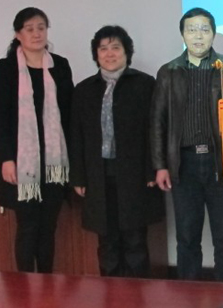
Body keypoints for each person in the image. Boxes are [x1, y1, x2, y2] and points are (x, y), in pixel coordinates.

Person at [151, 7, 223, 281]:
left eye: (204, 29)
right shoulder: (169, 72)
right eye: (191, 30)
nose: (198, 36)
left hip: (219, 162)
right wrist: (160, 165)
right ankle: (188, 295)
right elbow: (158, 121)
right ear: (182, 35)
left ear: (213, 34)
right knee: (187, 236)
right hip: (183, 163)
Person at [70, 25, 164, 277]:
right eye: (103, 48)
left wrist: (152, 169)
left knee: (135, 241)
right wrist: (78, 177)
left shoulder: (145, 84)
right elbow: (76, 136)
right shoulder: (84, 89)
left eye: (115, 47)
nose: (109, 53)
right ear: (96, 54)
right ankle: (110, 293)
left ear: (126, 52)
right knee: (107, 242)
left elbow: (155, 130)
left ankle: (136, 294)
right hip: (98, 175)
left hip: (135, 174)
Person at [0, 7, 73, 273]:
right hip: (21, 162)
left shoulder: (60, 65)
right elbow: (0, 117)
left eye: (41, 28)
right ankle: (25, 287)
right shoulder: (7, 68)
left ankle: (46, 283)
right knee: (28, 227)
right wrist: (5, 159)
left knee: (48, 227)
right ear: (18, 34)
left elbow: (69, 114)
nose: (37, 34)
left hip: (53, 163)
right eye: (30, 29)